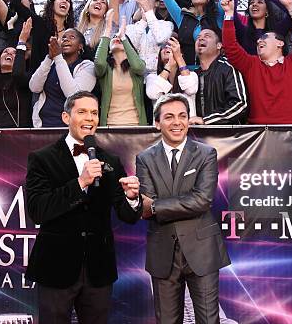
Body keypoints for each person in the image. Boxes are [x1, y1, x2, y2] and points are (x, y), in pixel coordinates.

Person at [25, 91, 142, 324]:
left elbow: (127, 215)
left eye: (94, 113)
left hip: (98, 270)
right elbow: (38, 210)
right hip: (55, 267)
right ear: (66, 117)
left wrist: (131, 198)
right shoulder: (42, 158)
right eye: (82, 112)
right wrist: (80, 183)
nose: (89, 118)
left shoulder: (111, 161)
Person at [136, 93, 230, 324]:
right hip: (162, 253)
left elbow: (202, 201)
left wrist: (157, 205)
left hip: (202, 252)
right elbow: (144, 208)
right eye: (169, 117)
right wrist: (152, 206)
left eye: (182, 116)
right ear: (157, 123)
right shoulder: (144, 158)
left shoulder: (206, 154)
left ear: (189, 120)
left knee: (209, 320)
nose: (177, 122)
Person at [221, 0, 292, 124]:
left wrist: (291, 6)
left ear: (280, 43)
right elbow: (230, 47)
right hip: (258, 137)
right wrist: (228, 13)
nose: (259, 40)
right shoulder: (251, 65)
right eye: (259, 39)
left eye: (265, 37)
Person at [12, 0, 75, 72]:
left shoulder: (72, 32)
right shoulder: (39, 23)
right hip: (39, 81)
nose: (64, 1)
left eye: (67, 0)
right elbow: (16, 2)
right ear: (52, 5)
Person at [29, 28, 96, 128]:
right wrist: (49, 58)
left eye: (72, 37)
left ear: (80, 46)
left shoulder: (87, 66)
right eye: (63, 37)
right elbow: (34, 87)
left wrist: (58, 57)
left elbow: (73, 96)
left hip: (70, 128)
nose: (66, 39)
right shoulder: (51, 64)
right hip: (43, 125)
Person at [94, 13, 147, 126]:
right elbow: (98, 63)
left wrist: (123, 37)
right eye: (114, 38)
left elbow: (138, 67)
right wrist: (108, 30)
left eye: (120, 39)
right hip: (110, 127)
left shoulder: (135, 67)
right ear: (108, 50)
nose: (117, 38)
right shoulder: (106, 70)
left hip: (136, 126)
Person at [192, 28, 248, 125]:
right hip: (199, 136)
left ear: (219, 45)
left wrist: (207, 120)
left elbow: (240, 104)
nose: (201, 39)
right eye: (198, 37)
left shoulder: (228, 68)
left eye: (207, 36)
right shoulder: (193, 74)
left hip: (227, 136)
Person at [146, 37, 198, 119]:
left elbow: (191, 89)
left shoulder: (192, 75)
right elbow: (153, 94)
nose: (167, 48)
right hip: (162, 129)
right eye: (164, 47)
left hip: (187, 127)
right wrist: (169, 66)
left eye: (172, 46)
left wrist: (178, 58)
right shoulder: (152, 77)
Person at [125, 0, 173, 75]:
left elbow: (160, 38)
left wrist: (148, 12)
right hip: (133, 76)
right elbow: (131, 46)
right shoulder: (130, 28)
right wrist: (143, 21)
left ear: (157, 3)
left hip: (157, 76)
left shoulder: (167, 25)